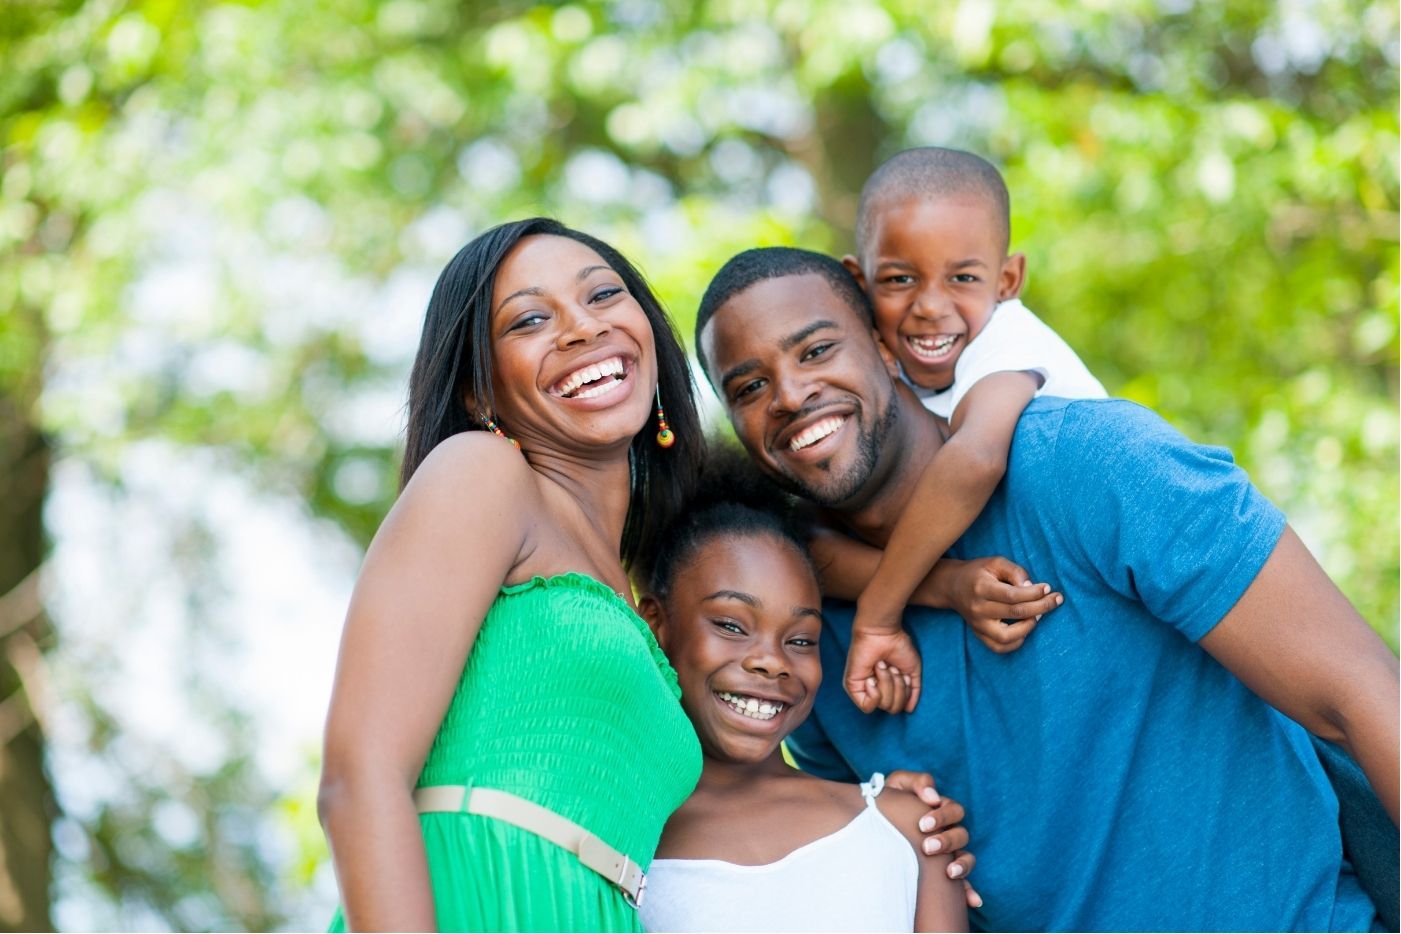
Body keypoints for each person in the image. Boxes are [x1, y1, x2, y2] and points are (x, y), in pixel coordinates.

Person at [693, 245, 1399, 931]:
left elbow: (1360, 693)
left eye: (816, 351)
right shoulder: (802, 637)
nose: (788, 395)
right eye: (749, 388)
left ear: (884, 344)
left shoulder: (1087, 466)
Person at [318, 217, 708, 932]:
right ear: (480, 395)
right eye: (529, 319)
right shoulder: (483, 474)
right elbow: (358, 777)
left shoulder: (637, 602)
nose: (582, 328)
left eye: (603, 296)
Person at [830, 148, 1107, 712]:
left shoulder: (1008, 341)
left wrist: (878, 615)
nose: (930, 306)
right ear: (857, 283)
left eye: (962, 277)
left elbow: (976, 458)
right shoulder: (887, 369)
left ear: (1007, 279)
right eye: (899, 278)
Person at [634, 476, 967, 932]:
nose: (772, 662)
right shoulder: (619, 839)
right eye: (732, 625)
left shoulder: (904, 827)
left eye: (800, 639)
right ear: (655, 625)